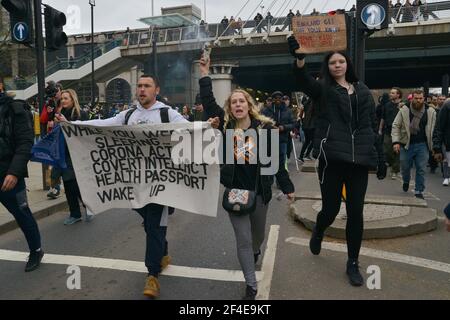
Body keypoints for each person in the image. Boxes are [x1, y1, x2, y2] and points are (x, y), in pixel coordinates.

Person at [57, 74, 188, 298]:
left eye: (147, 86)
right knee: (150, 223)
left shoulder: (167, 113)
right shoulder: (128, 115)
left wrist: (209, 125)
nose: (142, 90)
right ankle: (163, 252)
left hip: (160, 183)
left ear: (156, 90)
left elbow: (191, 129)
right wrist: (71, 124)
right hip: (135, 183)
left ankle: (152, 275)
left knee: (154, 225)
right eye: (139, 86)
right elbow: (101, 125)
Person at [288, 36, 386, 287]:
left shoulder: (363, 90)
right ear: (328, 67)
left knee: (356, 212)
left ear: (348, 64)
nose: (338, 65)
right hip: (332, 159)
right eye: (333, 62)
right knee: (330, 210)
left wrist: (380, 157)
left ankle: (352, 262)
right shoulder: (323, 89)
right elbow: (303, 82)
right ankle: (319, 230)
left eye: (341, 61)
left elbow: (370, 125)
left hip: (358, 163)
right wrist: (299, 59)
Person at [198, 56, 295, 300]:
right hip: (236, 193)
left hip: (260, 193)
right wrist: (204, 73)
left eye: (242, 101)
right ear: (230, 107)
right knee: (242, 240)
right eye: (234, 102)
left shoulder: (265, 130)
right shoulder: (226, 128)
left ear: (249, 105)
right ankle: (251, 285)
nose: (238, 105)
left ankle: (254, 252)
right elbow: (209, 103)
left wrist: (287, 186)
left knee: (256, 237)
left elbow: (276, 165)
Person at [0, 76, 44, 272]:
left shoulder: (15, 108)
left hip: (9, 176)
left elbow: (25, 143)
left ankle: (36, 249)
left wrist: (14, 173)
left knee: (22, 214)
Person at [391, 89, 436, 199]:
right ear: (412, 98)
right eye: (416, 98)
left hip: (422, 144)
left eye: (421, 98)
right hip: (406, 144)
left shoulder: (430, 112)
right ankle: (406, 181)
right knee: (405, 167)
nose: (418, 100)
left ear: (424, 99)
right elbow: (396, 125)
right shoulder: (404, 109)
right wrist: (396, 142)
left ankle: (418, 190)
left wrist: (435, 146)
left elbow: (433, 130)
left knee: (421, 168)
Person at [56, 89, 91, 225]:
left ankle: (88, 206)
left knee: (76, 184)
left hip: (78, 154)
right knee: (68, 183)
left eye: (66, 98)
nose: (63, 101)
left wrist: (66, 123)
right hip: (64, 154)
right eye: (62, 98)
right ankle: (75, 213)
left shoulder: (81, 114)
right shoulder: (60, 113)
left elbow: (84, 133)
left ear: (72, 99)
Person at [40, 81, 63, 199]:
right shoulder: (50, 103)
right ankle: (55, 188)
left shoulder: (65, 103)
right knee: (54, 163)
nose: (56, 94)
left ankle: (56, 187)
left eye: (57, 91)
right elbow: (44, 119)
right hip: (54, 137)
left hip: (65, 137)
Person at [379, 88, 403, 179]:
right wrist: (380, 129)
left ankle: (395, 170)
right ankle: (392, 165)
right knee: (386, 151)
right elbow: (383, 118)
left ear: (398, 95)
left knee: (397, 151)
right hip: (388, 131)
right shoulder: (387, 105)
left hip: (399, 132)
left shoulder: (403, 105)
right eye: (390, 93)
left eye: (393, 93)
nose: (390, 94)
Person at [432, 98, 450, 186]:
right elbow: (439, 127)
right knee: (447, 159)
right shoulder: (447, 105)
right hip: (447, 139)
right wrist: (437, 146)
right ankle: (447, 177)